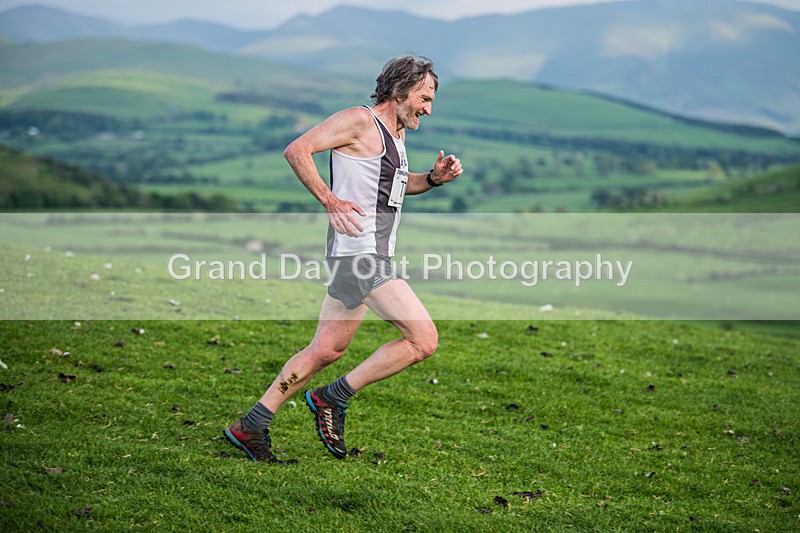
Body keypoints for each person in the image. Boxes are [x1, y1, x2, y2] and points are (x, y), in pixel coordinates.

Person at [224, 55, 463, 462]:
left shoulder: (396, 136)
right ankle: (332, 398)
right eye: (424, 98)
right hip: (360, 255)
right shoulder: (359, 121)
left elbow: (397, 190)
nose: (428, 108)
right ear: (400, 90)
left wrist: (434, 179)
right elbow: (298, 150)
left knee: (325, 351)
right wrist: (330, 201)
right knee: (423, 340)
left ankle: (250, 426)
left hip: (361, 255)